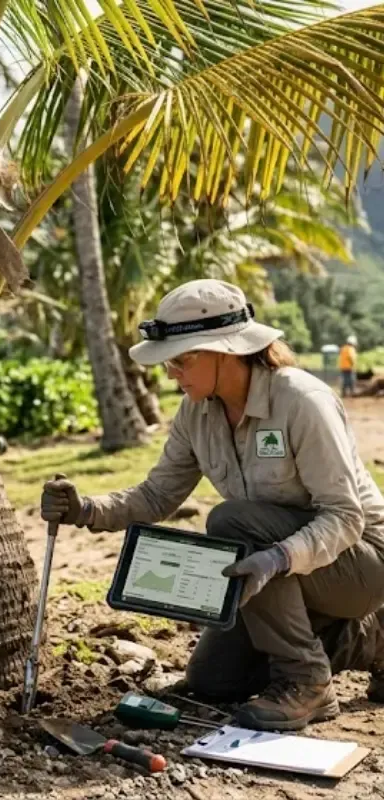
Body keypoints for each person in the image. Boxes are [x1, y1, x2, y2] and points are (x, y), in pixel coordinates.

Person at [41, 279, 384, 732]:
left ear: (225, 352)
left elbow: (344, 517)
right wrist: (85, 510)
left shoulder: (303, 401)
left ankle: (307, 682)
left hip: (361, 562)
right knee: (213, 680)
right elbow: (157, 495)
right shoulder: (195, 414)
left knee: (231, 521)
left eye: (181, 360)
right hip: (289, 571)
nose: (171, 373)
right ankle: (370, 639)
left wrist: (278, 559)